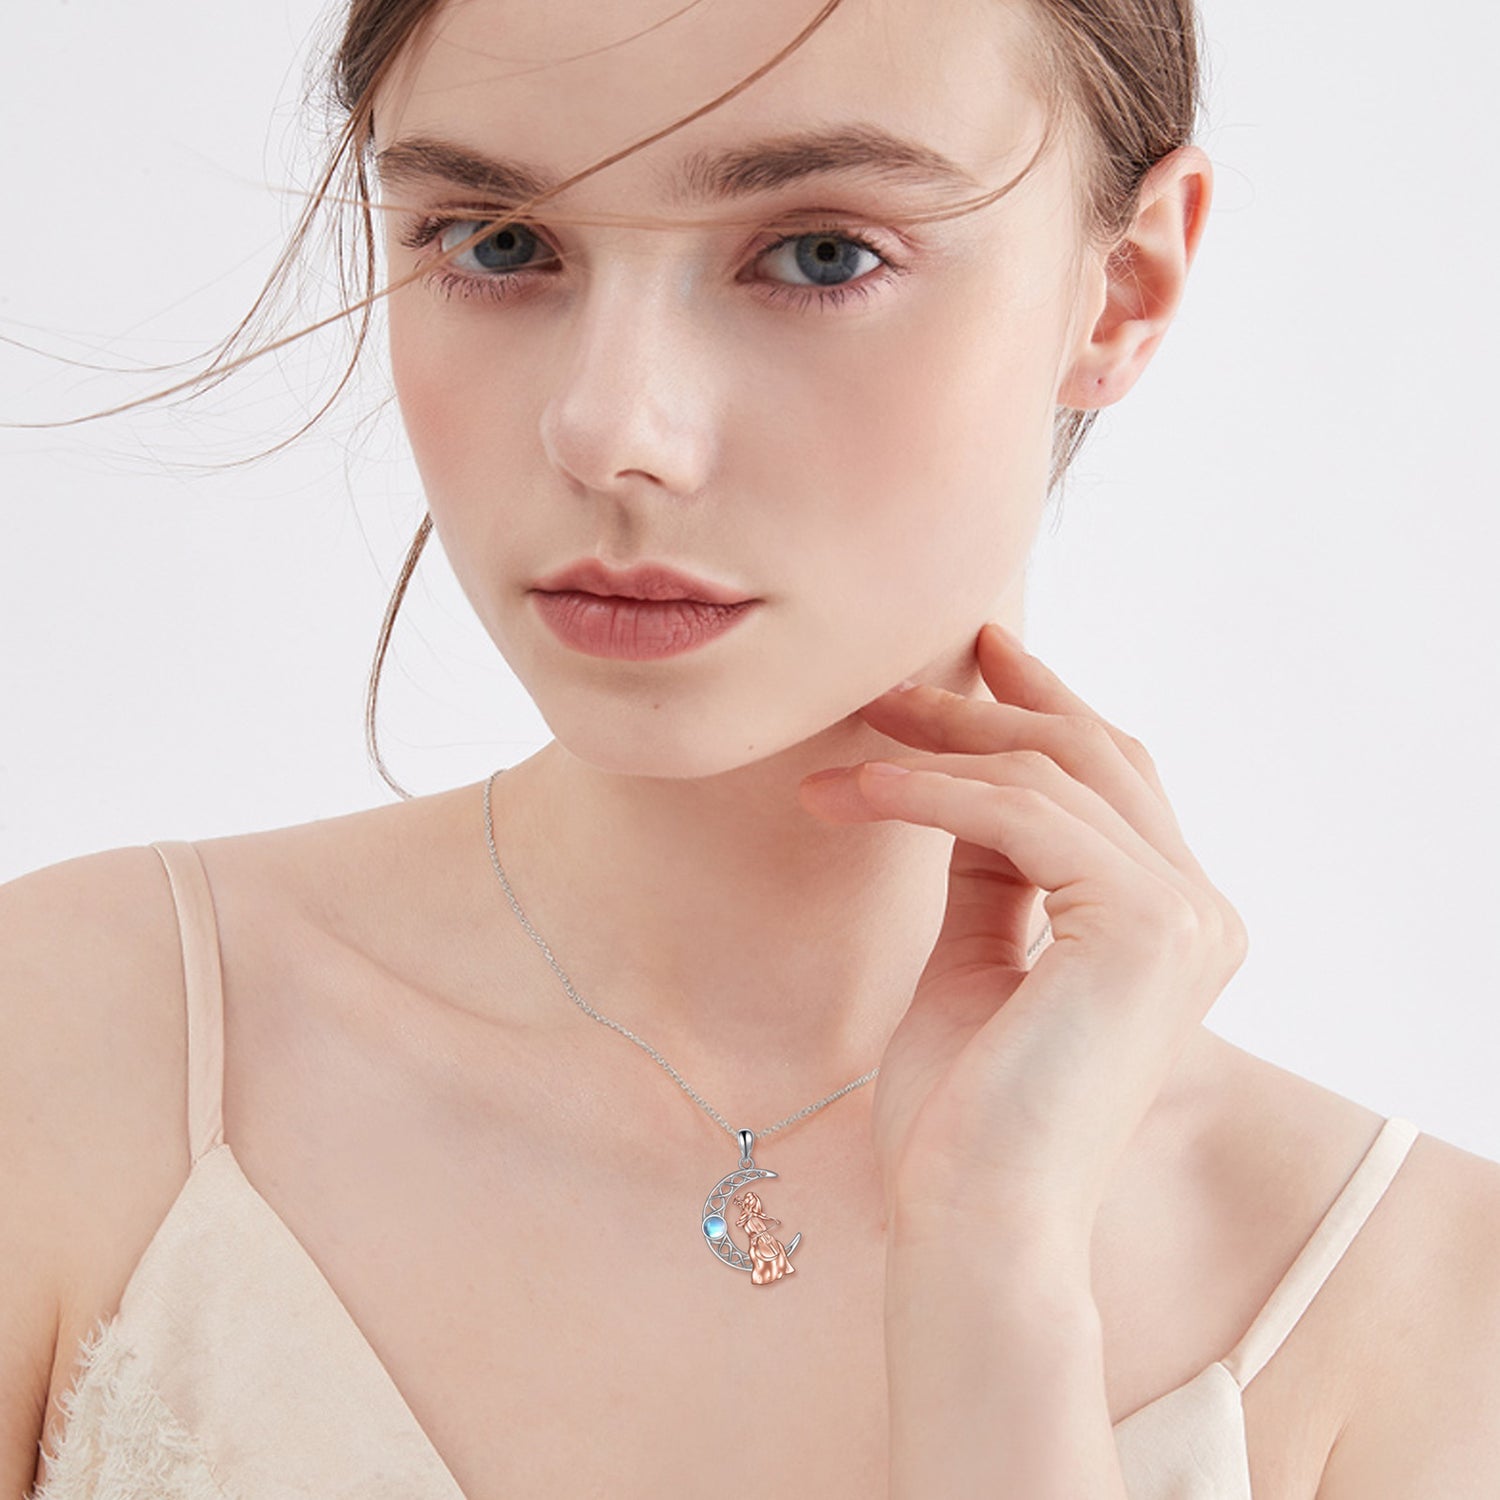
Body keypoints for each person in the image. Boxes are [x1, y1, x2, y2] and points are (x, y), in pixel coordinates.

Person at [3, 0, 1498, 1495]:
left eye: (821, 254)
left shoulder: (1430, 1319)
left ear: (1122, 289)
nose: (612, 429)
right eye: (500, 242)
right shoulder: (76, 1044)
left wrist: (998, 1278)